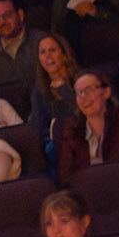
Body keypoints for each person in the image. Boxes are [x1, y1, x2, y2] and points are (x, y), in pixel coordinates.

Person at [55, 71, 119, 184]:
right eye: (79, 92)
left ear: (106, 92)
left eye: (89, 89)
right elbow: (65, 178)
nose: (83, 97)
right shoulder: (71, 129)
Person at [30, 33, 78, 164]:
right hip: (59, 147)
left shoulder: (80, 79)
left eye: (52, 50)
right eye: (43, 52)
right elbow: (41, 129)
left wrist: (63, 87)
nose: (48, 56)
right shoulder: (38, 92)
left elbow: (79, 112)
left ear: (63, 52)